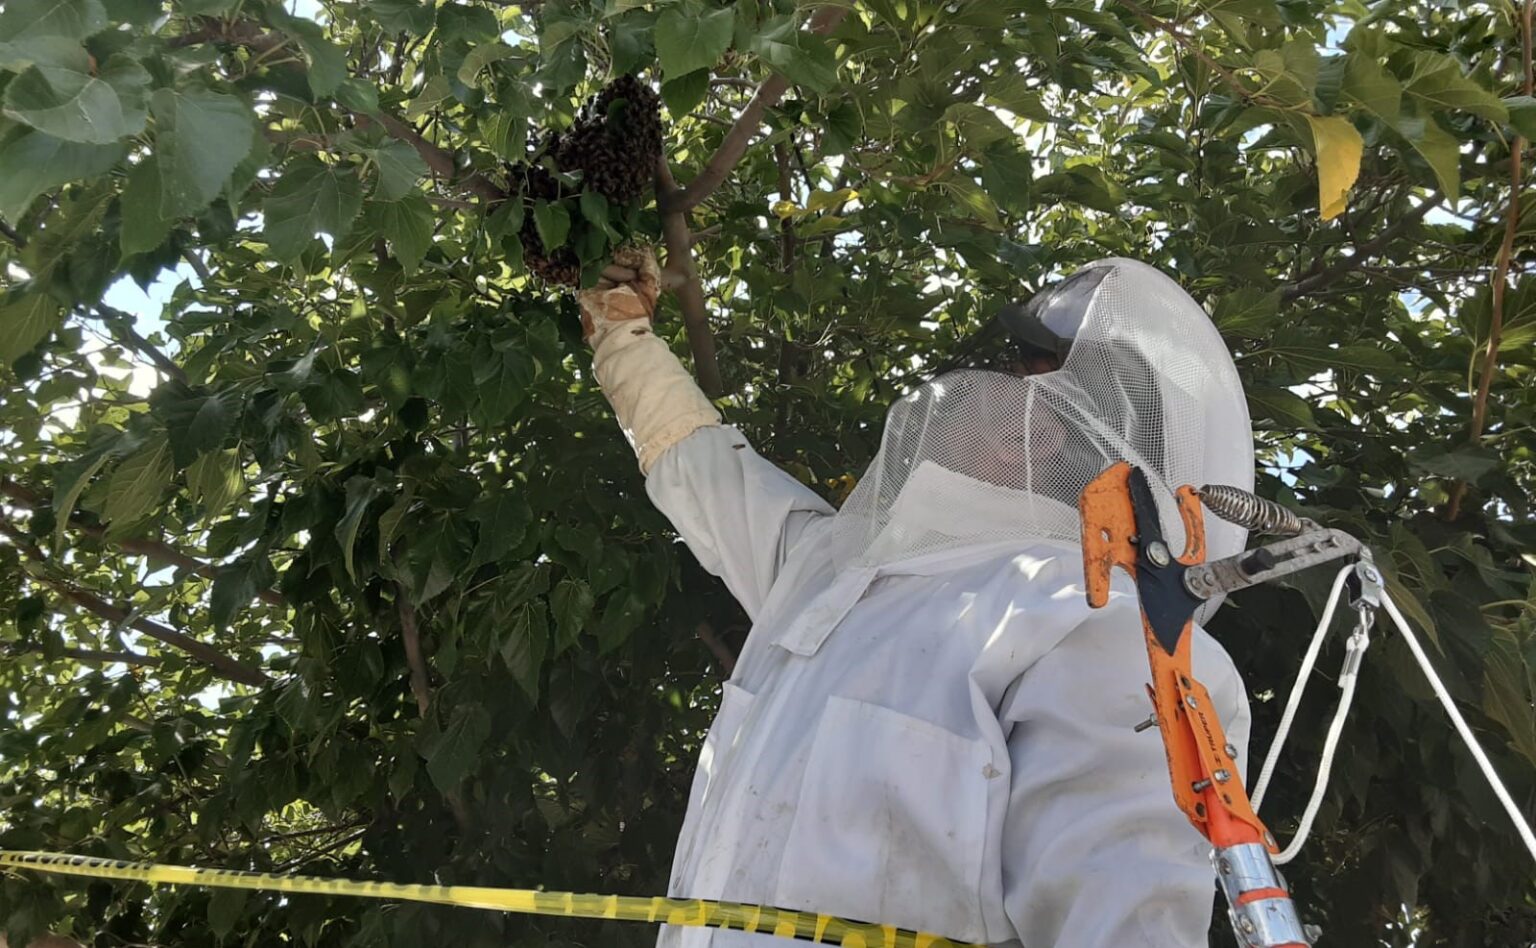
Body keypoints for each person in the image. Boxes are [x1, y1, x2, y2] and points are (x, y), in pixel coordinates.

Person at [577, 250, 1257, 947]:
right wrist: (621, 337)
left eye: (1009, 366)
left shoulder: (1098, 629)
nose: (968, 378)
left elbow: (1121, 925)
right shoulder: (830, 575)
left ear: (1039, 428)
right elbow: (702, 467)